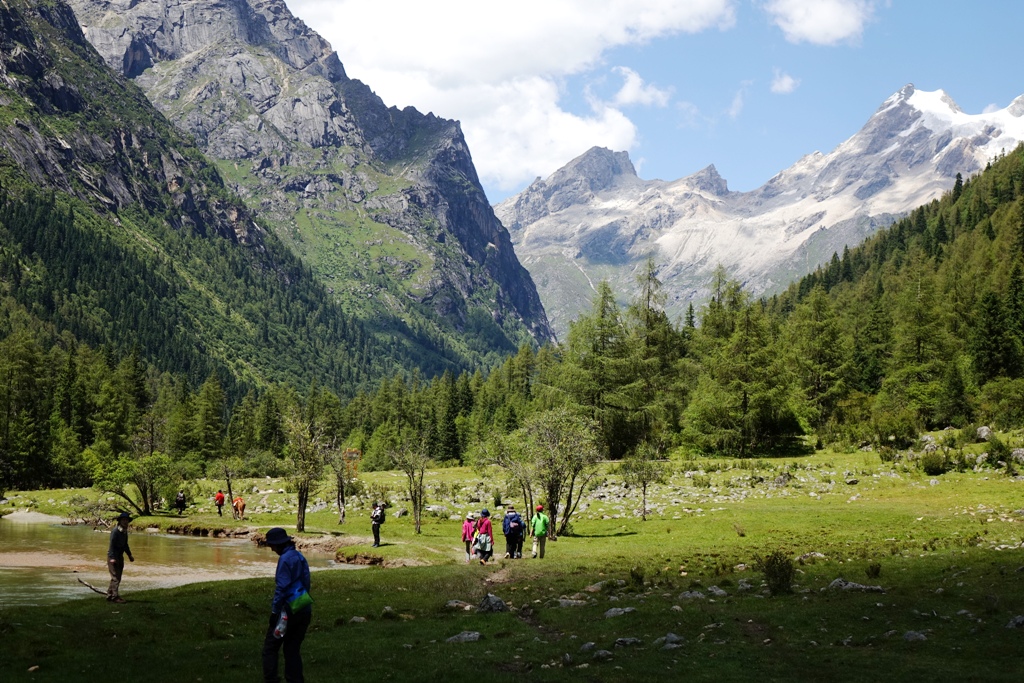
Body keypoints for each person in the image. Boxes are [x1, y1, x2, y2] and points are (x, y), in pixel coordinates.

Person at [262, 527, 312, 683]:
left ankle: (271, 680)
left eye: (272, 546)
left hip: (287, 611)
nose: (271, 549)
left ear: (278, 545)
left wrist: (275, 612)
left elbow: (282, 588)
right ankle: (295, 680)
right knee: (292, 649)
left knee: (270, 648)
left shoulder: (284, 559)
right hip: (303, 606)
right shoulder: (299, 556)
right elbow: (306, 582)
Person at [106, 511, 134, 603]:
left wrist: (129, 555)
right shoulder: (115, 531)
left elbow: (125, 544)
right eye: (124, 520)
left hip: (120, 556)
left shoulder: (124, 531)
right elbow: (111, 545)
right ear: (120, 521)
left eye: (127, 520)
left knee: (117, 577)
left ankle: (110, 595)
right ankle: (115, 597)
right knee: (115, 578)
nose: (125, 522)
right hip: (113, 556)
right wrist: (112, 558)